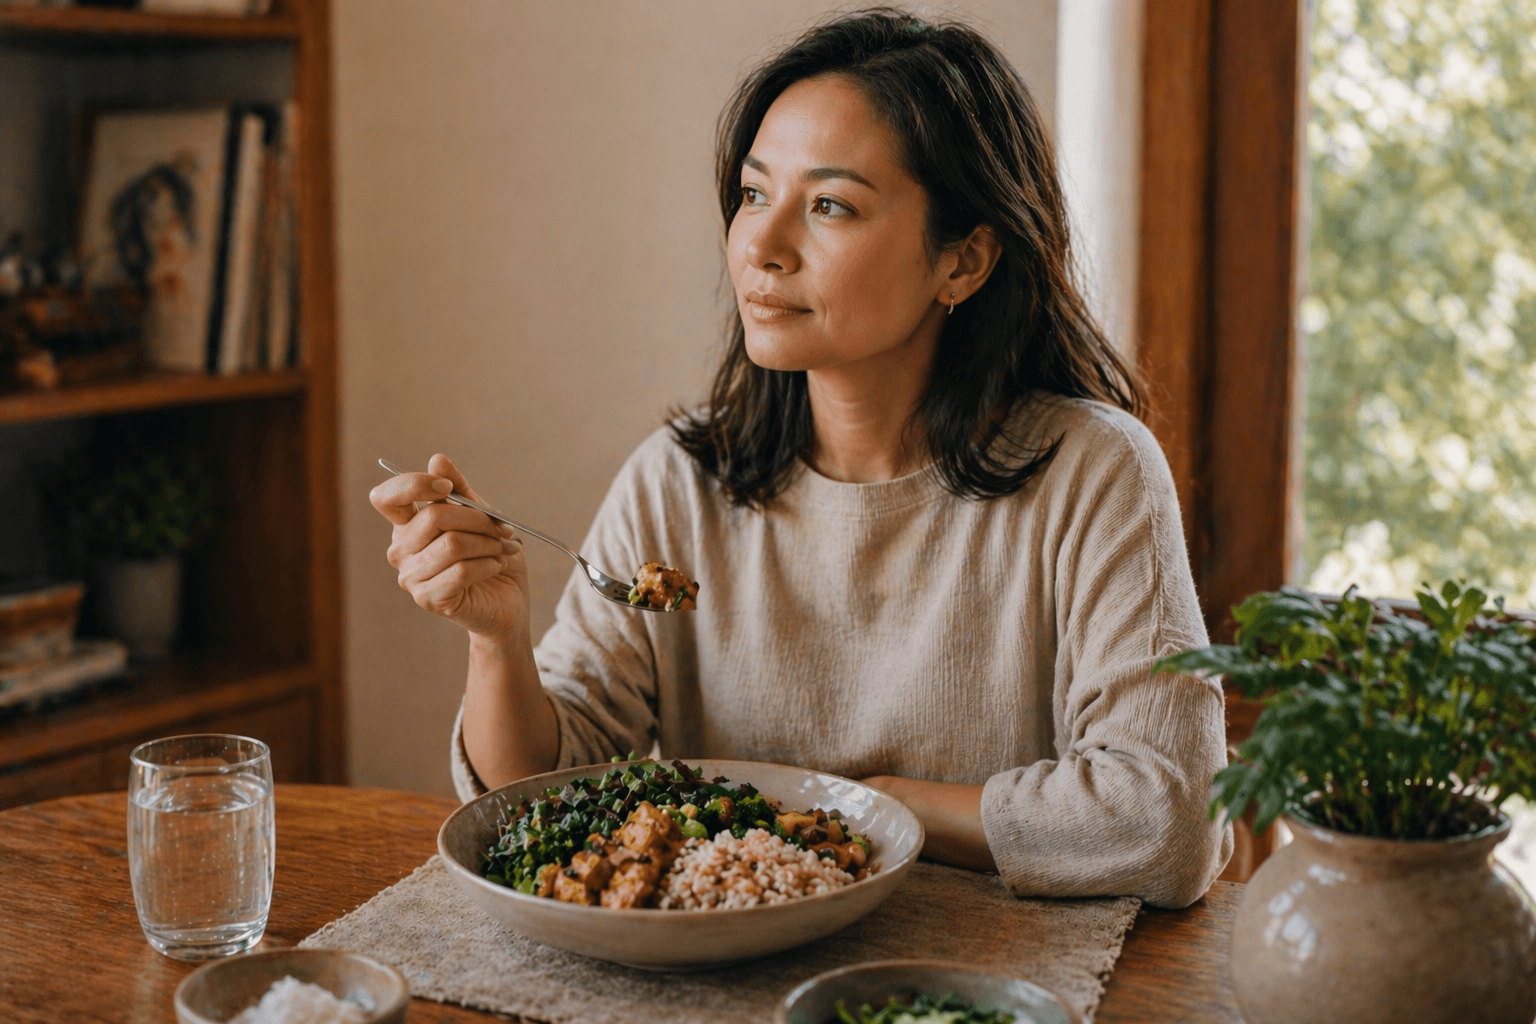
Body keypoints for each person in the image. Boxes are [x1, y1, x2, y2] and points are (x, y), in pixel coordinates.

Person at [370, 8, 1233, 908]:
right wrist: (496, 637)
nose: (762, 246)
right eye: (752, 194)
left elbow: (1169, 822)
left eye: (829, 205)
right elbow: (532, 805)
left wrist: (875, 809)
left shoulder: (1094, 473)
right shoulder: (682, 479)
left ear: (964, 261)